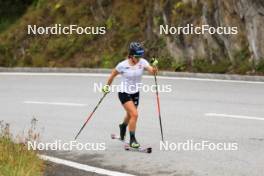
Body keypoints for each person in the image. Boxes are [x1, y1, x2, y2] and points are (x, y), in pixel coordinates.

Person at [102, 42, 158, 148]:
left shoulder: (142, 62)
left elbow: (153, 72)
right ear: (131, 55)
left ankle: (123, 126)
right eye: (137, 56)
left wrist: (155, 65)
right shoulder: (122, 65)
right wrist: (106, 87)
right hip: (124, 93)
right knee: (135, 114)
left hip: (135, 92)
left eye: (140, 56)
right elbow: (112, 76)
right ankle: (133, 139)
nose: (139, 58)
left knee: (130, 114)